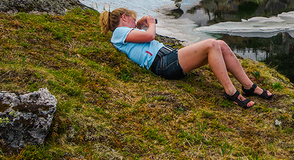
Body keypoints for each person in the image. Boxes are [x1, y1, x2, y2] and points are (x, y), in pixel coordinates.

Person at [99, 8, 273, 108]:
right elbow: (150, 36)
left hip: (168, 58)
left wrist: (139, 23)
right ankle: (231, 92)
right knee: (212, 44)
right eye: (133, 19)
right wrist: (150, 24)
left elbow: (141, 37)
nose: (135, 22)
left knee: (220, 44)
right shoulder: (118, 32)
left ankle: (249, 87)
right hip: (163, 63)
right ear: (124, 17)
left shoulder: (126, 33)